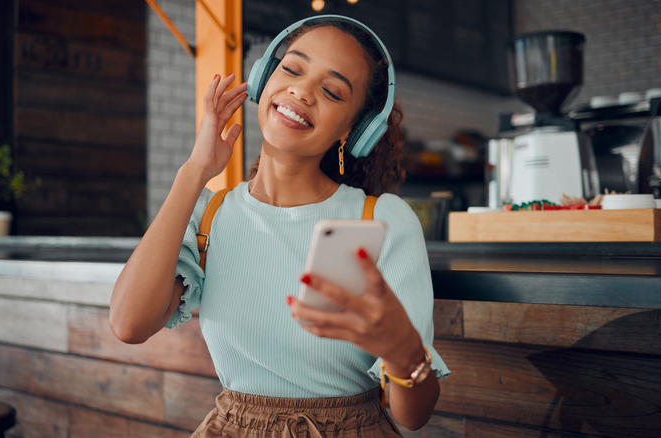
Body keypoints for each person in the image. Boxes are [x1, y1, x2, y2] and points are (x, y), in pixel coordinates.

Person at [110, 15, 449, 437]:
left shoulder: (380, 220)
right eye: (292, 68)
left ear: (352, 129)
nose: (301, 91)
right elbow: (128, 325)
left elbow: (413, 417)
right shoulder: (210, 215)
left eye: (331, 91)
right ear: (262, 79)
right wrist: (195, 170)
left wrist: (402, 350)